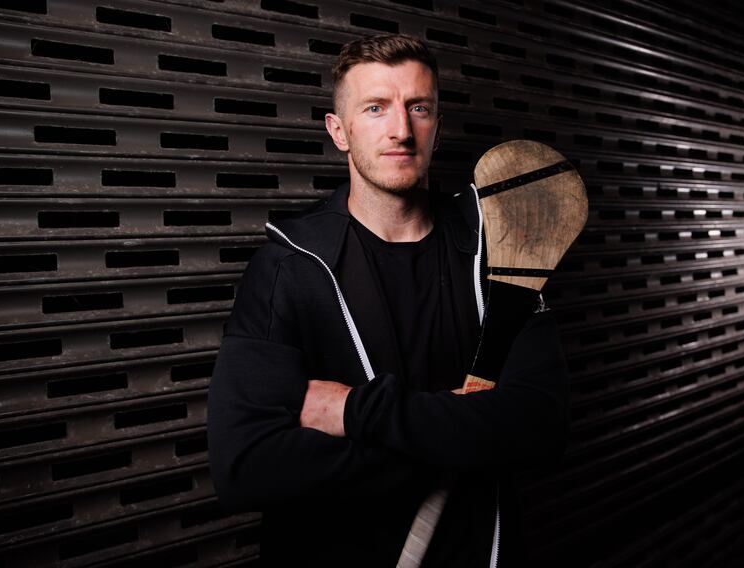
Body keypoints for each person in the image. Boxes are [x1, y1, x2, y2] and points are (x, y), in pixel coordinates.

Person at [208, 34, 569, 567]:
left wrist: (354, 410)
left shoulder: (500, 253)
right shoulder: (289, 265)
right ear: (340, 132)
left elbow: (542, 427)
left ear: (438, 127)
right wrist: (463, 434)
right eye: (375, 108)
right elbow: (246, 466)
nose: (400, 130)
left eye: (418, 108)